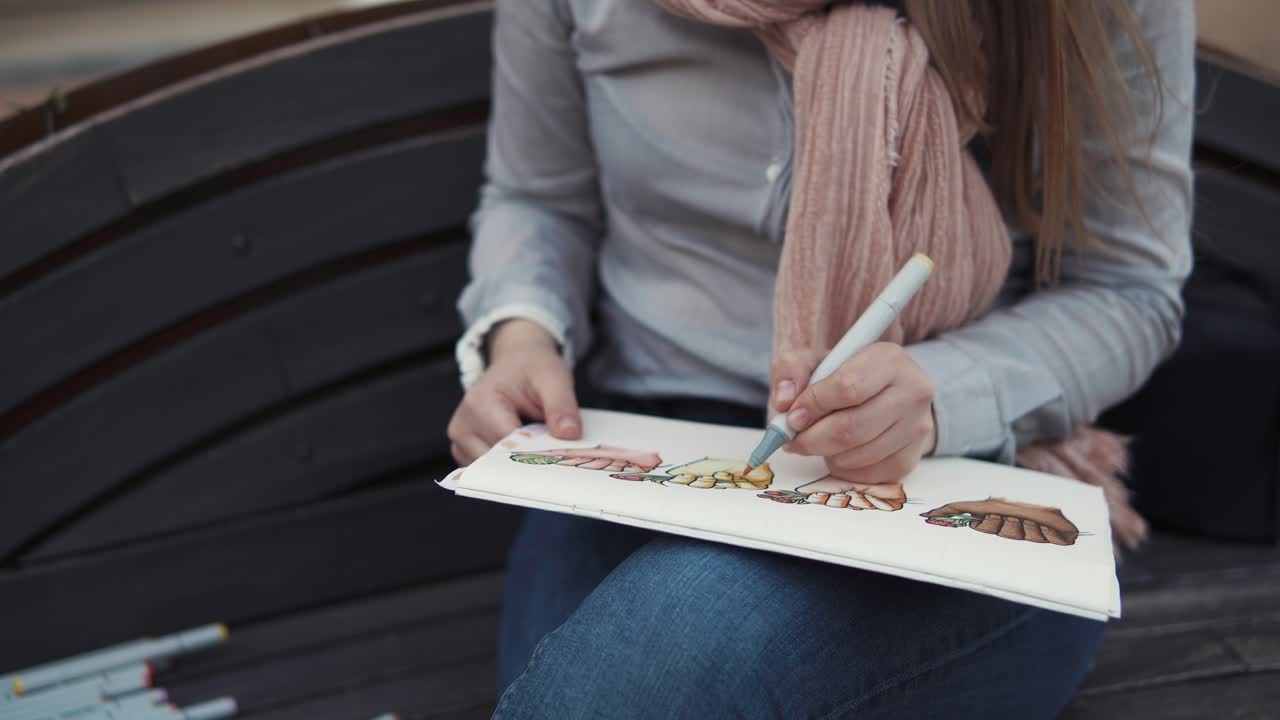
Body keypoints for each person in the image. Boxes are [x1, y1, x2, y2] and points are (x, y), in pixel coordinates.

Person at [447, 0, 1194, 717]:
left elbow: (1130, 291)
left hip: (954, 471)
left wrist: (942, 395)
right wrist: (521, 333)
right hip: (645, 446)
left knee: (645, 670)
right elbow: (537, 198)